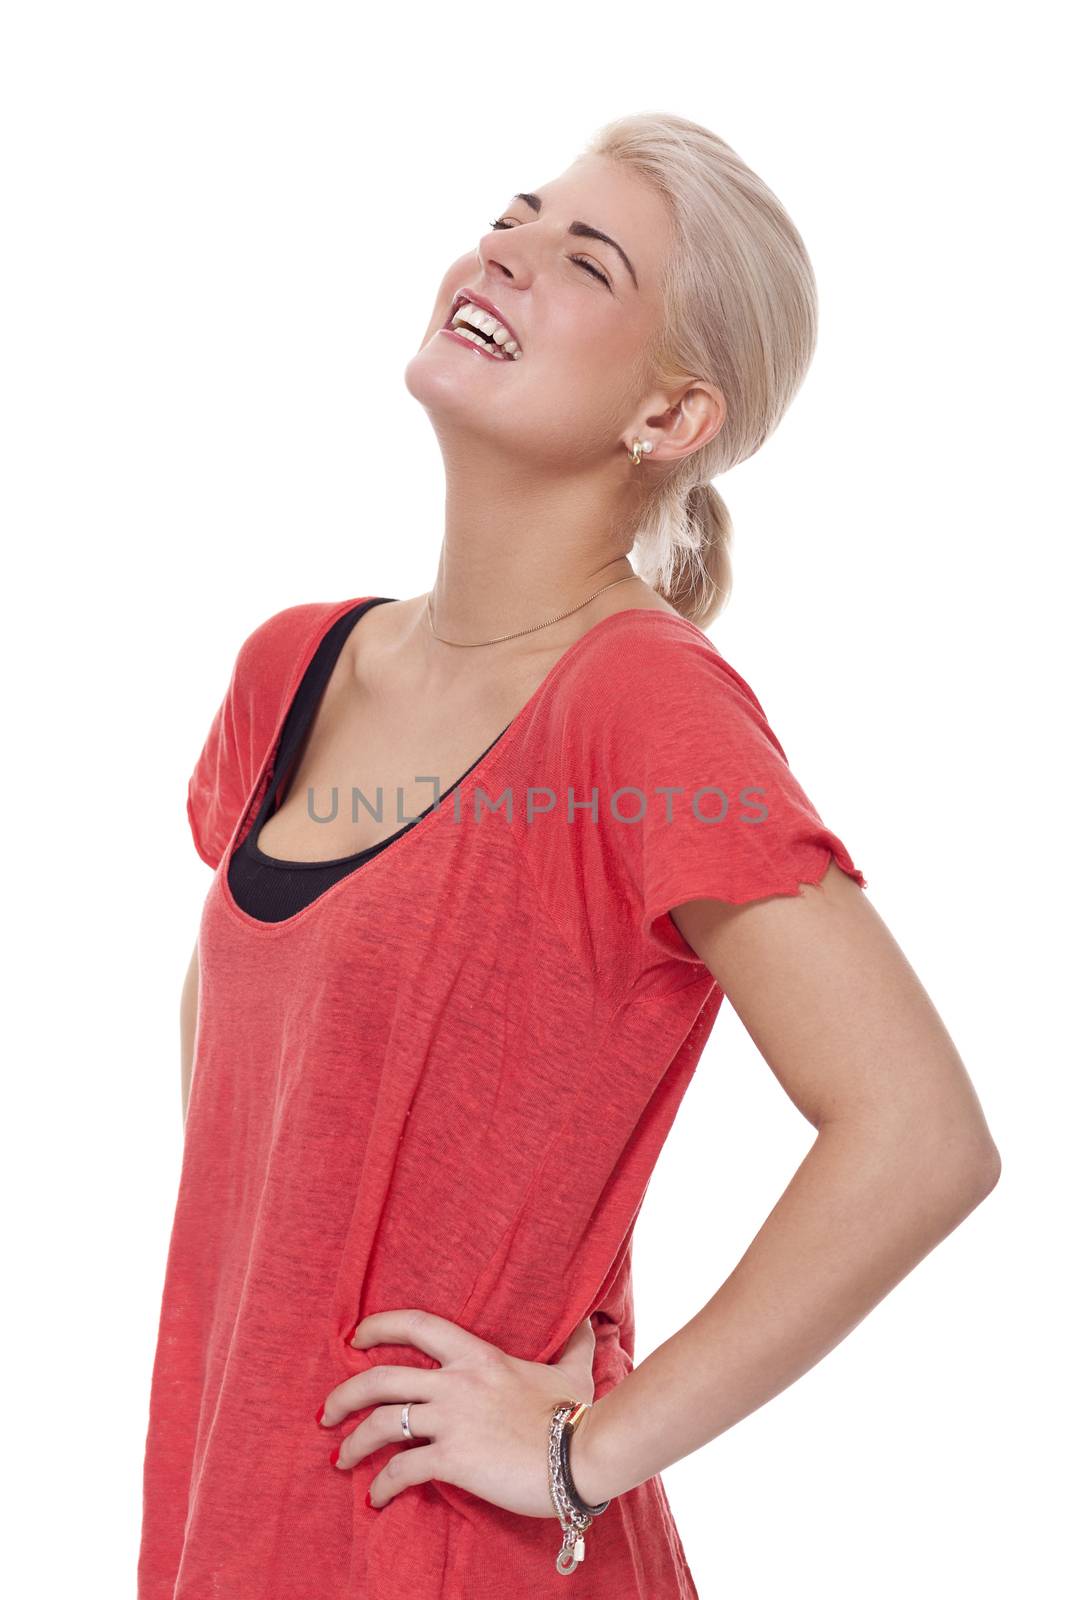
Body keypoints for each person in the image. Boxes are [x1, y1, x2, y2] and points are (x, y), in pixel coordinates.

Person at [138, 111, 1001, 1599]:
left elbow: (920, 1137)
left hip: (458, 1553)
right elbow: (241, 1038)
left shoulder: (639, 704)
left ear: (668, 420)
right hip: (233, 1508)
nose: (508, 254)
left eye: (585, 260)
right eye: (516, 216)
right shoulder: (291, 670)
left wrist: (583, 1451)